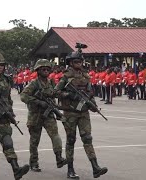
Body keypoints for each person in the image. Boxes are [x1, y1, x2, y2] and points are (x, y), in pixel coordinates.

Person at [55, 50, 108, 179]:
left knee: (87, 139)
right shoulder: (66, 77)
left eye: (80, 61)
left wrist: (93, 105)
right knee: (71, 140)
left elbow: (90, 93)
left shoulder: (86, 76)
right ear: (71, 63)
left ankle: (95, 167)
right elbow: (55, 92)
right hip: (70, 113)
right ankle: (70, 169)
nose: (78, 64)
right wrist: (69, 95)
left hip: (83, 113)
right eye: (76, 62)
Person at [20, 59, 67, 172]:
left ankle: (59, 157)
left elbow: (55, 93)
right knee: (34, 141)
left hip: (49, 114)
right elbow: (23, 96)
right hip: (35, 116)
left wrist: (64, 95)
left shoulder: (51, 82)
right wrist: (39, 102)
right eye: (43, 69)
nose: (46, 71)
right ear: (38, 71)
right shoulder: (34, 83)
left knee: (55, 135)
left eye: (47, 69)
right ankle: (34, 162)